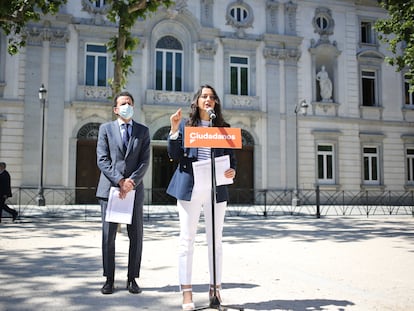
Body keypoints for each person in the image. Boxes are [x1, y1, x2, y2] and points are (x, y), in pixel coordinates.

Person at [167, 85, 237, 310]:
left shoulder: (223, 128)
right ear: (197, 102)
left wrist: (232, 171)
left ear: (216, 103)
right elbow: (174, 155)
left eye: (212, 97)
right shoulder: (188, 127)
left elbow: (231, 160)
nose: (208, 100)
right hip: (191, 188)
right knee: (187, 241)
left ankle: (215, 289)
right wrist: (174, 129)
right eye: (204, 96)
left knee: (216, 241)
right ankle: (186, 292)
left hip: (216, 190)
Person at [96, 91, 150, 295]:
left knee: (135, 236)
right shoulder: (105, 129)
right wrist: (119, 180)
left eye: (130, 102)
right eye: (123, 103)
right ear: (116, 109)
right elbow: (102, 159)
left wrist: (131, 182)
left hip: (134, 191)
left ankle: (132, 279)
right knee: (108, 237)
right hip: (110, 190)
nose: (127, 105)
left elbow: (145, 161)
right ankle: (109, 279)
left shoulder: (143, 131)